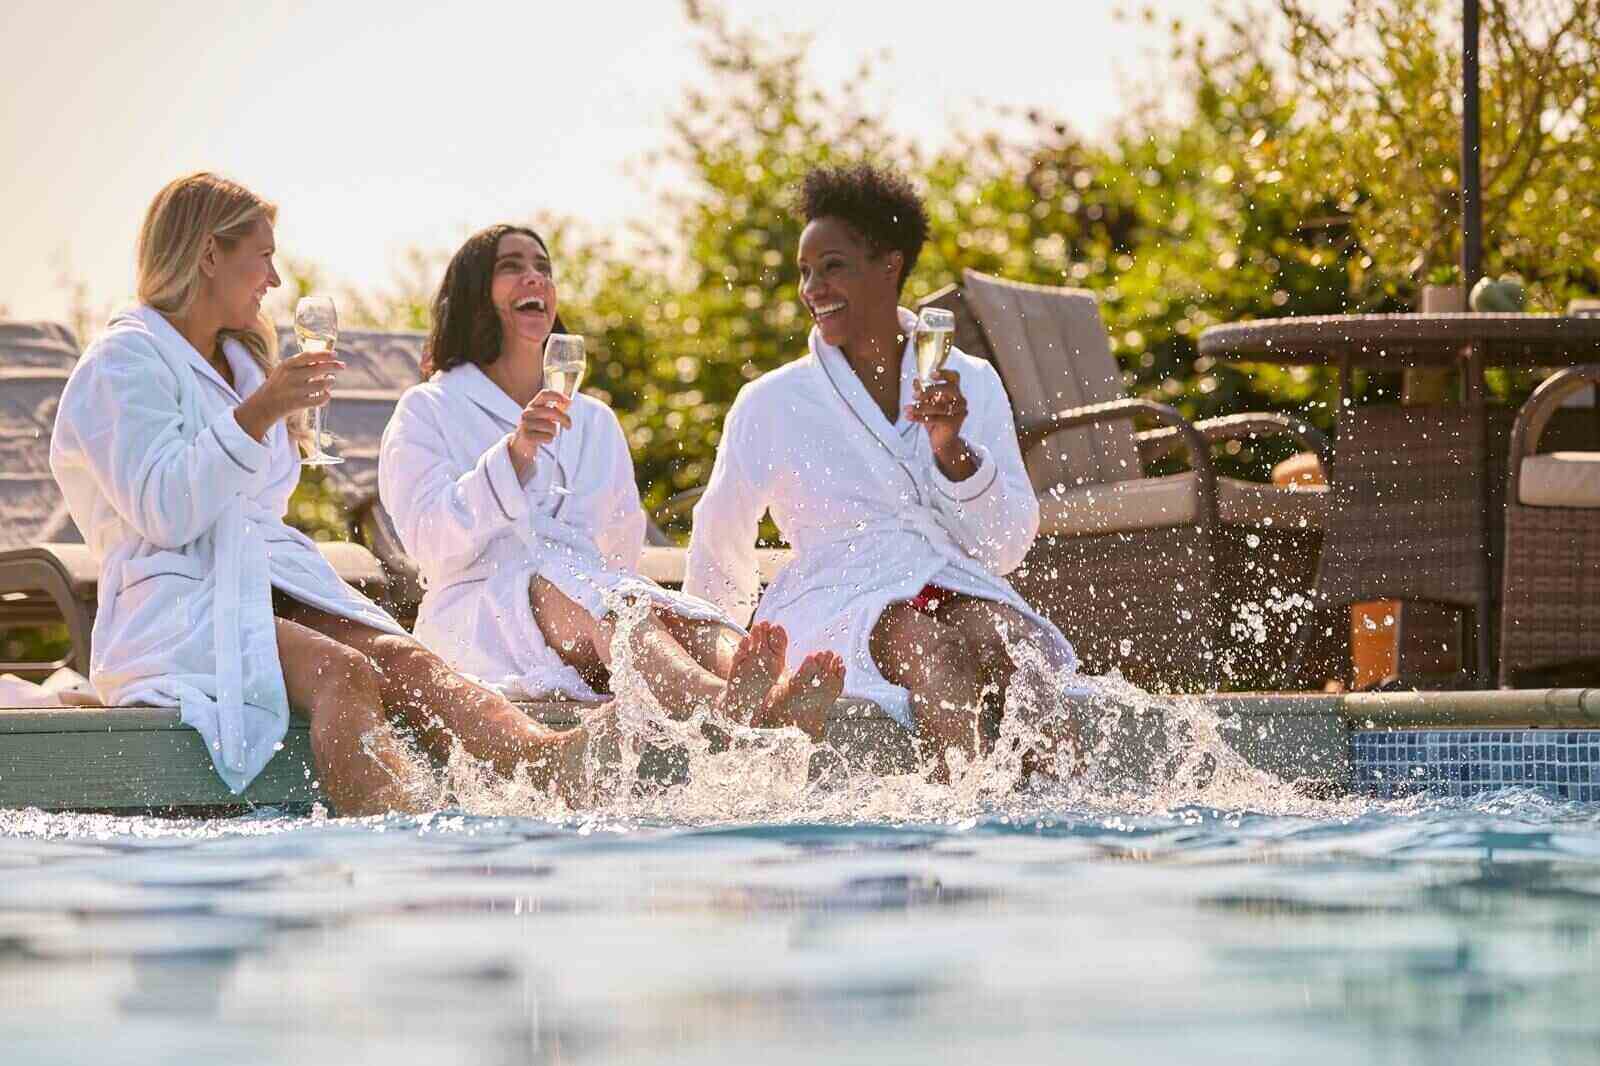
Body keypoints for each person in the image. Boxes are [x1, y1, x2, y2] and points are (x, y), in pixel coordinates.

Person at [49, 173, 591, 816]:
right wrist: (262, 411)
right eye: (265, 257)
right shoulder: (124, 360)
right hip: (174, 600)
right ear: (209, 254)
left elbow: (262, 494)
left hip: (260, 577)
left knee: (408, 661)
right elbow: (163, 511)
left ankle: (548, 762)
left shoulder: (240, 362)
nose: (274, 280)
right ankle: (390, 842)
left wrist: (268, 412)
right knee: (345, 671)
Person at [685, 163, 1079, 778]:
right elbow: (719, 537)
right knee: (930, 651)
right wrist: (725, 656)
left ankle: (1060, 829)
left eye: (833, 265)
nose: (812, 287)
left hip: (950, 580)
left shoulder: (969, 380)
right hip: (838, 597)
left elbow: (1005, 548)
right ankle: (954, 837)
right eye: (805, 271)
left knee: (1017, 646)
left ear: (889, 265)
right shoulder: (772, 401)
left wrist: (953, 451)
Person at [378, 225, 843, 736]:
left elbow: (618, 550)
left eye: (543, 267)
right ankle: (718, 702)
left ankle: (764, 690)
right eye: (511, 266)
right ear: (473, 294)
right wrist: (513, 456)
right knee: (611, 605)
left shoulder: (594, 419)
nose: (534, 276)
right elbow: (426, 539)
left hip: (589, 613)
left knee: (667, 610)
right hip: (480, 617)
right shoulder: (427, 409)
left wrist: (592, 601)